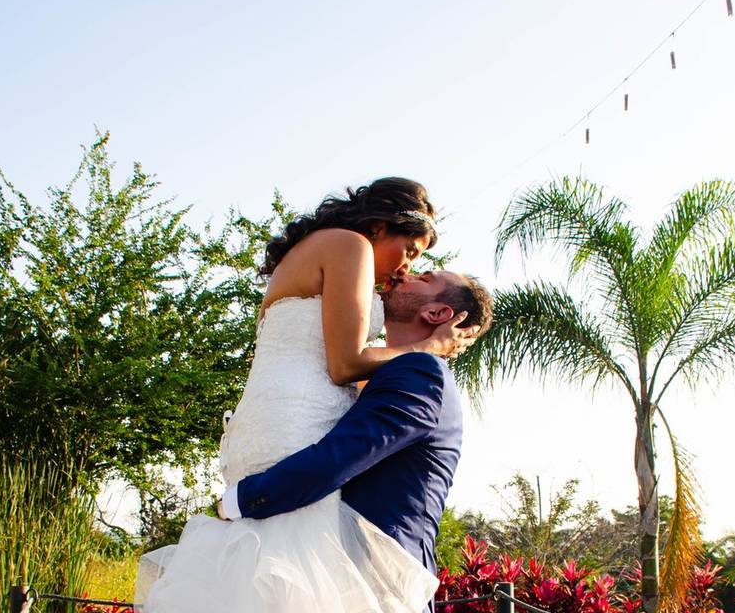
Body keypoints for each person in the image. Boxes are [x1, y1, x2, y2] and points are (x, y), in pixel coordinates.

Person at [136, 177, 479, 613]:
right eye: (409, 251)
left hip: (265, 421)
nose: (404, 268)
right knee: (294, 577)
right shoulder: (350, 246)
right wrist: (430, 348)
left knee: (258, 570)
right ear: (380, 227)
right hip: (298, 421)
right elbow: (345, 364)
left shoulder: (313, 254)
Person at [217, 270, 493, 613]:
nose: (404, 274)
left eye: (424, 278)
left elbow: (338, 458)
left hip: (379, 587)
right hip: (340, 578)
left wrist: (239, 501)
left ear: (436, 313)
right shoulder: (388, 372)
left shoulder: (422, 373)